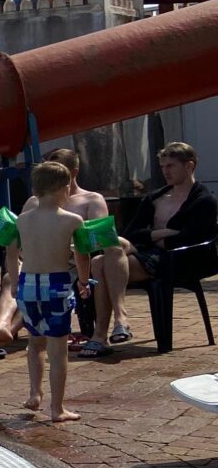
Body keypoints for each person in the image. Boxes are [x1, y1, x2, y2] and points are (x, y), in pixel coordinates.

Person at [87, 142, 216, 357]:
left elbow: (189, 238)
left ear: (189, 166)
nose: (165, 171)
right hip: (146, 254)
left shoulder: (204, 201)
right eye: (162, 166)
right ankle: (118, 322)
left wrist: (151, 239)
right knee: (106, 254)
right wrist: (160, 233)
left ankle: (101, 334)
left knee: (99, 263)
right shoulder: (155, 198)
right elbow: (132, 233)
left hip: (179, 260)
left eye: (171, 166)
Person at [0, 147, 109, 350]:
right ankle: (3, 325)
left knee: (33, 287)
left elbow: (96, 240)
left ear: (73, 173)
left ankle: (10, 331)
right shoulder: (34, 202)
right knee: (12, 278)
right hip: (37, 263)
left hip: (68, 263)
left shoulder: (91, 199)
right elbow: (18, 241)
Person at [16, 161, 91, 422]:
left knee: (35, 343)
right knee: (58, 352)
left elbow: (14, 253)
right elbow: (82, 255)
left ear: (35, 189)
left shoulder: (22, 220)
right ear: (64, 188)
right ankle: (57, 409)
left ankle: (34, 393)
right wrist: (83, 281)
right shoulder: (72, 220)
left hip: (27, 286)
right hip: (56, 285)